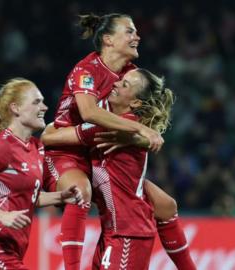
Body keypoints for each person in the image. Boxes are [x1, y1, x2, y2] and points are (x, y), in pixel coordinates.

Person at [44, 69, 197, 269]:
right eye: (120, 80)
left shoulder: (110, 127)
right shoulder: (122, 123)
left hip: (129, 234)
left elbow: (48, 137)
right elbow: (166, 205)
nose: (115, 84)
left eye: (125, 85)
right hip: (112, 232)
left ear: (135, 103)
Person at [48, 13, 165, 269]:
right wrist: (138, 130)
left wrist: (141, 136)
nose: (138, 36)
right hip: (67, 150)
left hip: (98, 148)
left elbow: (147, 126)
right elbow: (89, 113)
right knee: (81, 192)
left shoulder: (131, 75)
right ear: (109, 40)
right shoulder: (87, 70)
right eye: (130, 31)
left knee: (166, 205)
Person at [0, 78, 84, 269]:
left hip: (13, 253)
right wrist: (1, 215)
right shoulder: (1, 145)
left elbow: (25, 197)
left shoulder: (36, 148)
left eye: (43, 101)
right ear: (16, 108)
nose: (44, 107)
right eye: (36, 102)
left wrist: (60, 197)